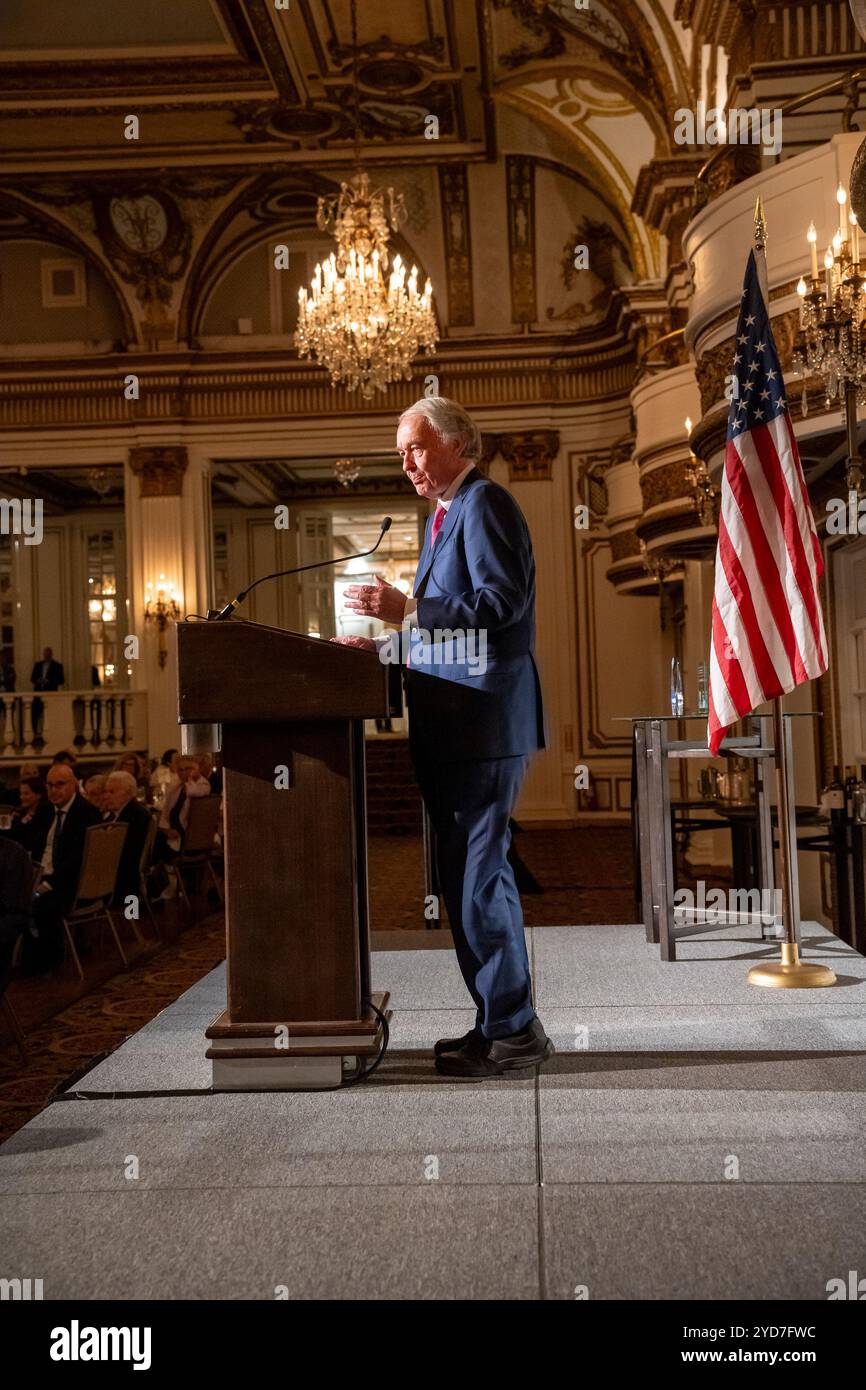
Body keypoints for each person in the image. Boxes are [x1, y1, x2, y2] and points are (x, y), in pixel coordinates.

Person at [338, 396, 552, 1078]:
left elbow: (499, 608)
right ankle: (498, 1024)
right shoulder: (445, 517)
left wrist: (408, 609)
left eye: (416, 447)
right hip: (455, 729)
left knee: (479, 885)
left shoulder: (485, 504)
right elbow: (450, 638)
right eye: (401, 451)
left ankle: (513, 1030)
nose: (406, 462)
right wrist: (381, 653)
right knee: (467, 882)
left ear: (459, 443)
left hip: (483, 730)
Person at [24, 762, 100, 973]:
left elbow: (77, 861)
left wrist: (46, 885)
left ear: (74, 785)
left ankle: (43, 962)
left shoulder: (87, 813)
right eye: (49, 785)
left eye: (60, 784)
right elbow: (28, 838)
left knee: (39, 904)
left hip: (71, 883)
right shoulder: (46, 810)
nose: (54, 790)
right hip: (40, 876)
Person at [102, 771, 153, 905]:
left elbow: (127, 852)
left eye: (112, 792)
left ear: (128, 793)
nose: (106, 796)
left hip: (124, 878)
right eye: (106, 792)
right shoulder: (115, 814)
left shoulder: (135, 816)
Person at [9, 776, 51, 855]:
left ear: (38, 795)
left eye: (26, 793)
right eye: (21, 793)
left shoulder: (45, 814)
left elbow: (33, 841)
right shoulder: (19, 813)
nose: (21, 797)